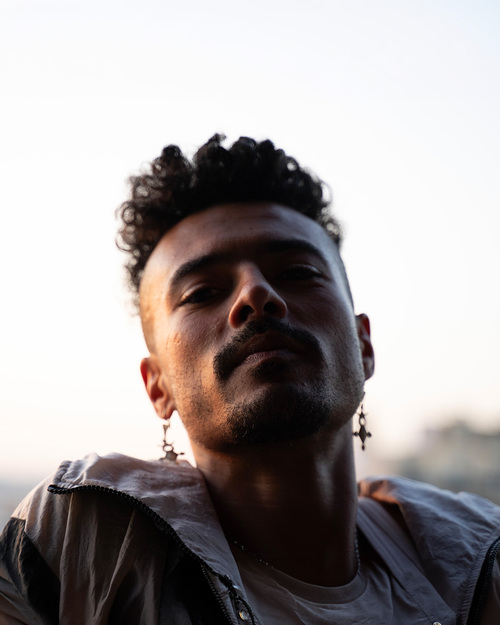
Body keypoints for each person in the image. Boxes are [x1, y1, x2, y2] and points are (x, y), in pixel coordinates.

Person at [0, 135, 499, 624]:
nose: (256, 294)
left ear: (363, 345)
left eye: (298, 272)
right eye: (202, 292)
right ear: (158, 385)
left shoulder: (478, 558)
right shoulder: (80, 545)